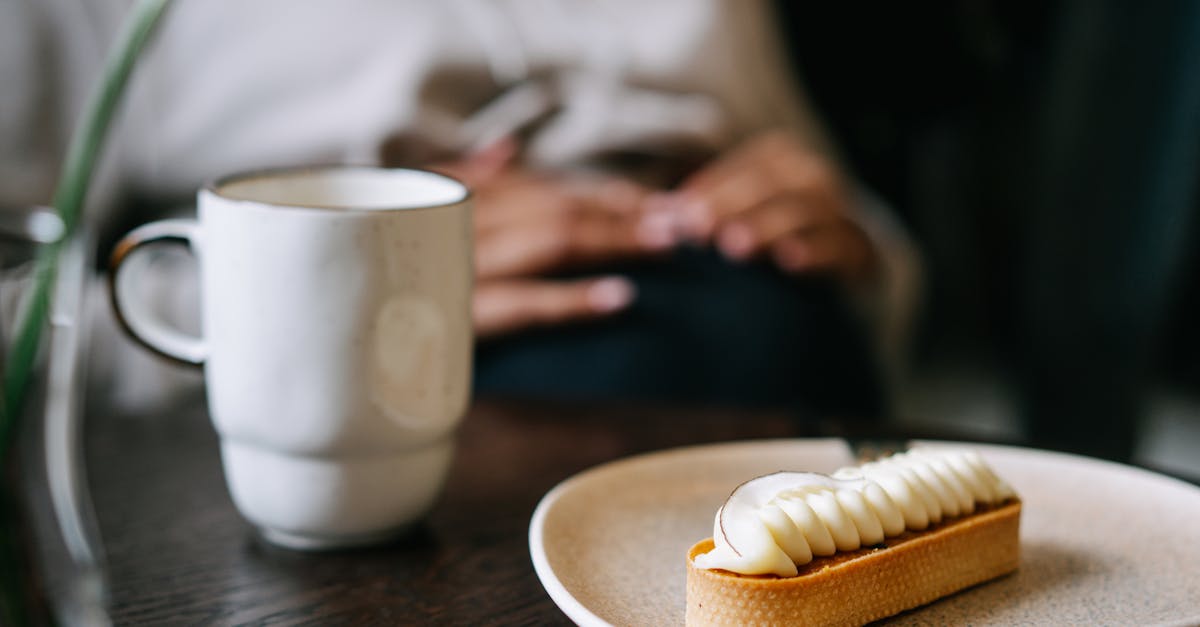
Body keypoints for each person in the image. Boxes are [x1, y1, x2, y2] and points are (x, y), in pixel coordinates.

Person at [0, 0, 918, 419]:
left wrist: (854, 246)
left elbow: (847, 211)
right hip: (428, 412)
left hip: (806, 379)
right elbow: (18, 299)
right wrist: (296, 302)